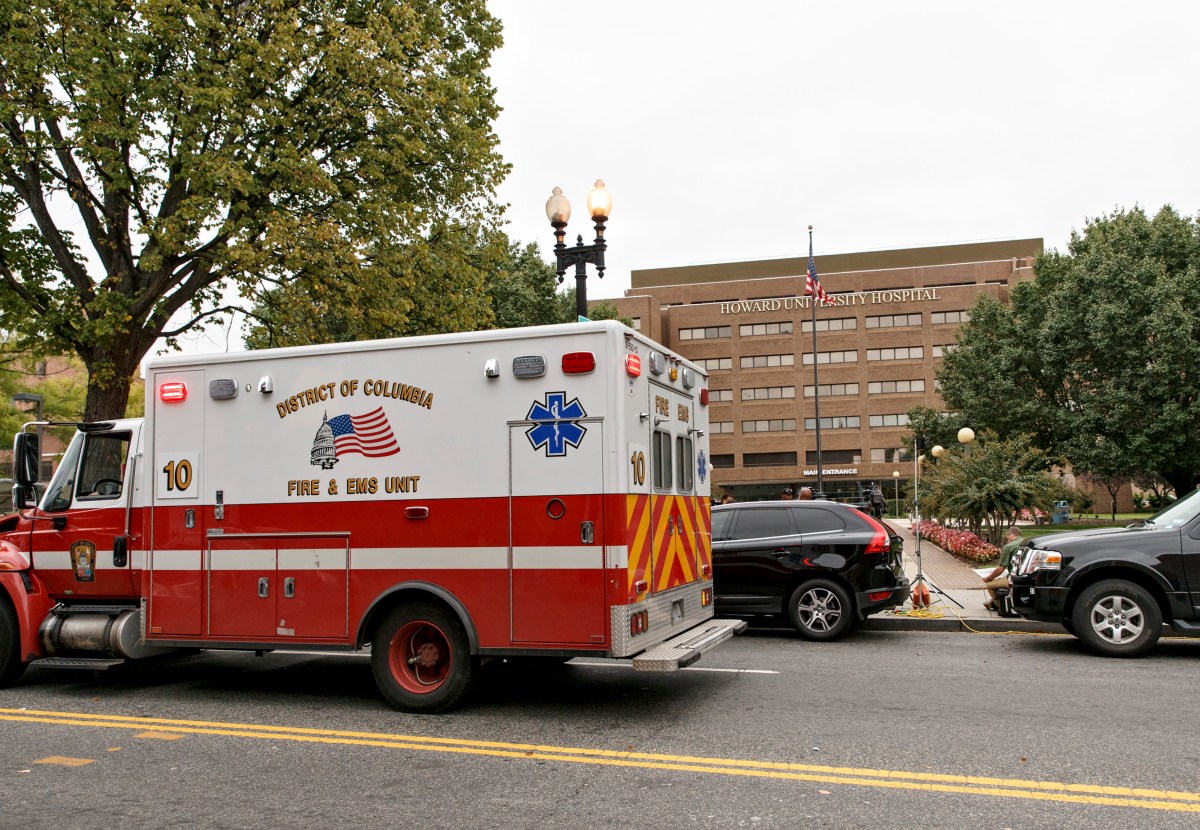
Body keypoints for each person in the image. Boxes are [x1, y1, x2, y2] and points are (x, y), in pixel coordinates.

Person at [982, 526, 1022, 611]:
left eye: (1007, 537)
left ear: (1011, 535)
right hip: (1025, 576)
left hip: (1014, 578)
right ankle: (993, 602)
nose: (1007, 540)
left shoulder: (1009, 546)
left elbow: (1000, 569)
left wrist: (989, 578)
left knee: (990, 585)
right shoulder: (1026, 542)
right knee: (1000, 580)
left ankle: (1001, 606)